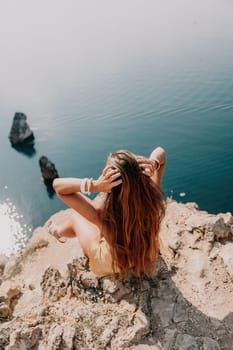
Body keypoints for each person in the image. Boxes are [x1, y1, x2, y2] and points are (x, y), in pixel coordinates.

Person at [48, 147, 166, 279]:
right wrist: (152, 162)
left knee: (76, 219)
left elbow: (57, 186)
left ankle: (56, 231)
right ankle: (57, 231)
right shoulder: (152, 200)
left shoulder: (103, 215)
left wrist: (95, 185)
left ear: (110, 187)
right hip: (146, 253)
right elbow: (161, 152)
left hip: (115, 263)